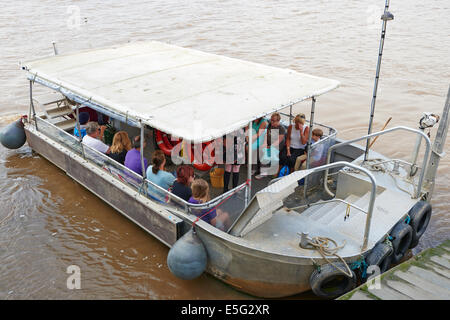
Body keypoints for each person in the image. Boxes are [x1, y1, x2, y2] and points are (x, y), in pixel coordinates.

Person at [256, 112, 287, 179]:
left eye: (273, 121)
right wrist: (265, 143)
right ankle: (261, 169)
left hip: (277, 146)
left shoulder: (281, 128)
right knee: (259, 149)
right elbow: (266, 134)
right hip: (269, 144)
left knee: (266, 153)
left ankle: (264, 173)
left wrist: (270, 146)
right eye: (271, 120)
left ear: (278, 121)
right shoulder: (270, 125)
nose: (272, 122)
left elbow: (279, 140)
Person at [223, 127, 246, 193]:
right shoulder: (241, 128)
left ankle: (229, 189)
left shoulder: (230, 127)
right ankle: (230, 189)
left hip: (236, 151)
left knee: (230, 169)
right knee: (231, 169)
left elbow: (243, 142)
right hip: (233, 151)